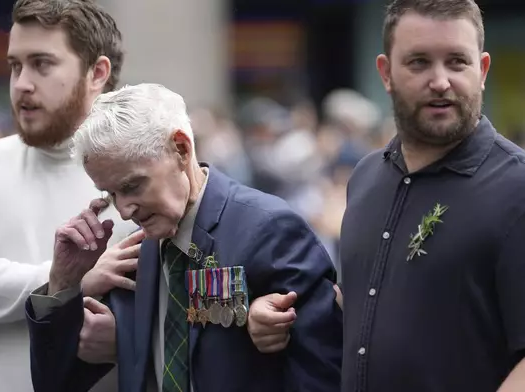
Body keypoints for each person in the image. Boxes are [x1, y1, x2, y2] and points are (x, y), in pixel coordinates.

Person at [247, 0, 525, 391]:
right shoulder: (366, 177)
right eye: (419, 62)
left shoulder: (517, 187)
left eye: (457, 62)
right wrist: (277, 319)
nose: (441, 80)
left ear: (482, 70)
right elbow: (358, 309)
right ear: (386, 73)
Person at [26, 83, 343, 392]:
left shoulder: (268, 228)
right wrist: (63, 282)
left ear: (181, 148)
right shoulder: (130, 256)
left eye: (133, 186)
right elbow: (55, 381)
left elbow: (320, 371)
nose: (123, 210)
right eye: (110, 194)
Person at [0, 1, 138, 391]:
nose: (22, 83)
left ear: (97, 73)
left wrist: (129, 339)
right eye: (15, 66)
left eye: (42, 64)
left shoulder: (139, 176)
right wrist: (63, 280)